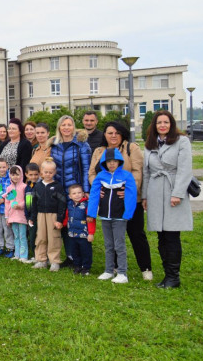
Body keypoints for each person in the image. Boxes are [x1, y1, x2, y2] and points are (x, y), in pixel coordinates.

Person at [88, 121, 152, 281]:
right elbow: (91, 174)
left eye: (116, 132)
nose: (113, 135)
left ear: (122, 134)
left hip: (130, 199)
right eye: (110, 133)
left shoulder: (131, 148)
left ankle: (145, 268)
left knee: (136, 234)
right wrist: (100, 187)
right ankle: (114, 268)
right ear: (105, 135)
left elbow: (138, 171)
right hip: (108, 200)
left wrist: (129, 190)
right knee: (111, 237)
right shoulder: (99, 151)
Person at [142, 110, 192, 289]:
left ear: (171, 124)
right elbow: (146, 172)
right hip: (155, 192)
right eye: (159, 123)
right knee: (161, 235)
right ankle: (166, 275)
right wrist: (145, 196)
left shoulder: (182, 141)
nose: (162, 125)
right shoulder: (149, 145)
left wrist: (177, 193)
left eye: (166, 122)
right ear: (154, 126)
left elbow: (185, 169)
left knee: (172, 235)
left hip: (172, 190)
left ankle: (173, 276)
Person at [89, 147, 137, 283]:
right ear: (104, 162)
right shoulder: (100, 176)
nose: (111, 164)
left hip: (120, 216)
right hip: (105, 216)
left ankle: (122, 273)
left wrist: (128, 213)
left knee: (119, 245)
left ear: (119, 162)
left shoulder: (126, 176)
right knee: (108, 244)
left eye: (114, 161)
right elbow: (94, 194)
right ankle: (109, 270)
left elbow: (132, 195)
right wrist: (91, 213)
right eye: (109, 161)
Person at [49, 115, 92, 267]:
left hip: (76, 190)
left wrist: (86, 190)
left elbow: (87, 168)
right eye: (63, 125)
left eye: (69, 125)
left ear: (73, 127)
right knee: (64, 222)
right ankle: (70, 255)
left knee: (79, 223)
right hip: (59, 190)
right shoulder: (54, 145)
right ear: (59, 128)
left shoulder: (81, 145)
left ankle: (82, 257)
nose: (66, 128)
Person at [29, 160, 67, 271]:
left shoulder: (58, 186)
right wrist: (33, 217)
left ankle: (54, 261)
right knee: (40, 237)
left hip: (53, 215)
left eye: (51, 172)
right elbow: (34, 203)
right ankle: (41, 260)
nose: (48, 174)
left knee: (54, 238)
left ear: (54, 172)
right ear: (41, 172)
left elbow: (62, 203)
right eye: (46, 172)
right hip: (40, 215)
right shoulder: (38, 186)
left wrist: (60, 219)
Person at [64, 184, 96, 277]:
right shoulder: (70, 204)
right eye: (74, 193)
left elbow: (91, 221)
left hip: (84, 234)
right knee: (75, 251)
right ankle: (77, 266)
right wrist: (63, 224)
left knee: (85, 251)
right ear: (70, 196)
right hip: (72, 234)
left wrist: (91, 233)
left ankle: (86, 268)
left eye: (79, 193)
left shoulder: (87, 205)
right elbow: (67, 216)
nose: (77, 195)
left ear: (83, 194)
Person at [4, 165, 30, 263]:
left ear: (22, 175)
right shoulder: (9, 188)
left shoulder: (24, 187)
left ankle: (24, 255)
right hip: (12, 217)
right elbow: (7, 202)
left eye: (17, 175)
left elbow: (27, 200)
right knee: (16, 236)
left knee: (22, 236)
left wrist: (20, 205)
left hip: (22, 216)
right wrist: (7, 216)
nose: (15, 177)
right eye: (13, 174)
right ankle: (17, 254)